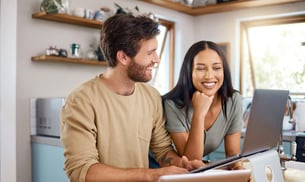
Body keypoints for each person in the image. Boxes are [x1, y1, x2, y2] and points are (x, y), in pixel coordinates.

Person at [60, 14, 203, 182]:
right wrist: (150, 174)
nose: (156, 59)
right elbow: (83, 171)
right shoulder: (81, 101)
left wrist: (181, 164)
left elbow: (162, 150)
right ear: (124, 57)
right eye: (150, 53)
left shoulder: (151, 96)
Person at [162, 40, 244, 170]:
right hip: (164, 170)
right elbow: (191, 162)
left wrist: (238, 168)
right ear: (189, 72)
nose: (209, 76)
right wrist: (199, 113)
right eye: (200, 68)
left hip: (196, 171)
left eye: (216, 68)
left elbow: (233, 154)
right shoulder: (172, 104)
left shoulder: (233, 100)